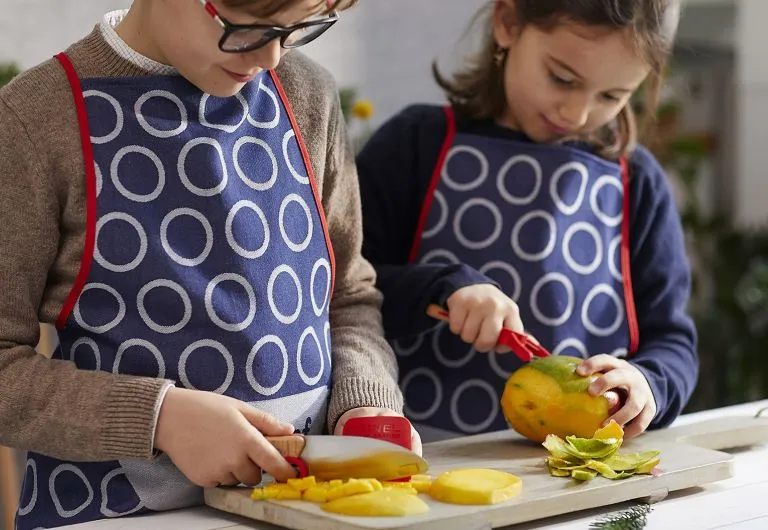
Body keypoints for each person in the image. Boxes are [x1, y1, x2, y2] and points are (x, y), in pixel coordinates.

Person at [0, 1, 416, 528]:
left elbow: (350, 296)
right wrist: (159, 419)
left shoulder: (307, 96)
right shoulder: (34, 121)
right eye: (246, 28)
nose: (268, 57)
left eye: (295, 29)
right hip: (110, 514)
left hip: (308, 510)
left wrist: (365, 401)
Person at [356, 0, 698, 444]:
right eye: (562, 78)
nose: (576, 114)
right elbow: (344, 293)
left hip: (577, 471)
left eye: (612, 96)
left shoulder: (639, 183)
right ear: (508, 22)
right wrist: (443, 286)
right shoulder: (414, 145)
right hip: (423, 455)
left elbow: (673, 343)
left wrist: (649, 383)